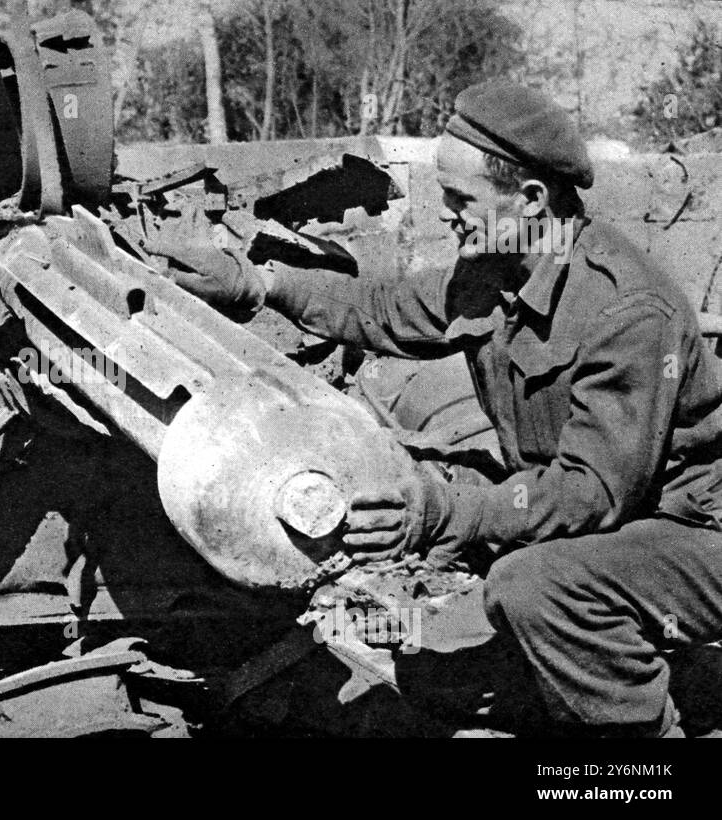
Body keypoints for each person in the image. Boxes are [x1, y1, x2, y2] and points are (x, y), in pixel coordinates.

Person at [155, 80, 722, 737]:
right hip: (620, 525)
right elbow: (386, 309)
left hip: (693, 533)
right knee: (441, 671)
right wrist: (261, 283)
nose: (447, 215)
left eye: (460, 199)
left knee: (536, 586)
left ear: (531, 200)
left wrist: (441, 511)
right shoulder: (496, 271)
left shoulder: (626, 311)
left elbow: (590, 494)